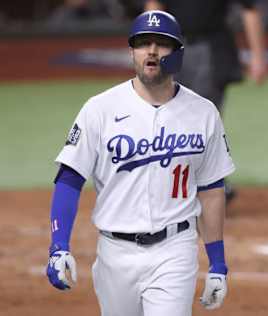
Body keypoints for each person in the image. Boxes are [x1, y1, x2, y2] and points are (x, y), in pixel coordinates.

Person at [46, 10, 235, 315]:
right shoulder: (100, 109)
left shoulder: (203, 113)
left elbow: (212, 188)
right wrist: (58, 246)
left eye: (162, 43)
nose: (152, 50)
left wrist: (217, 263)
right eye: (143, 43)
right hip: (114, 254)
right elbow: (69, 178)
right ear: (132, 51)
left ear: (177, 53)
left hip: (175, 250)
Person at [144, 0, 268, 202]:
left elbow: (249, 9)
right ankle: (181, 185)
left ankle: (209, 184)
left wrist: (258, 56)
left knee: (203, 121)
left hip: (212, 48)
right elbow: (154, 6)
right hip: (174, 47)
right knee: (169, 119)